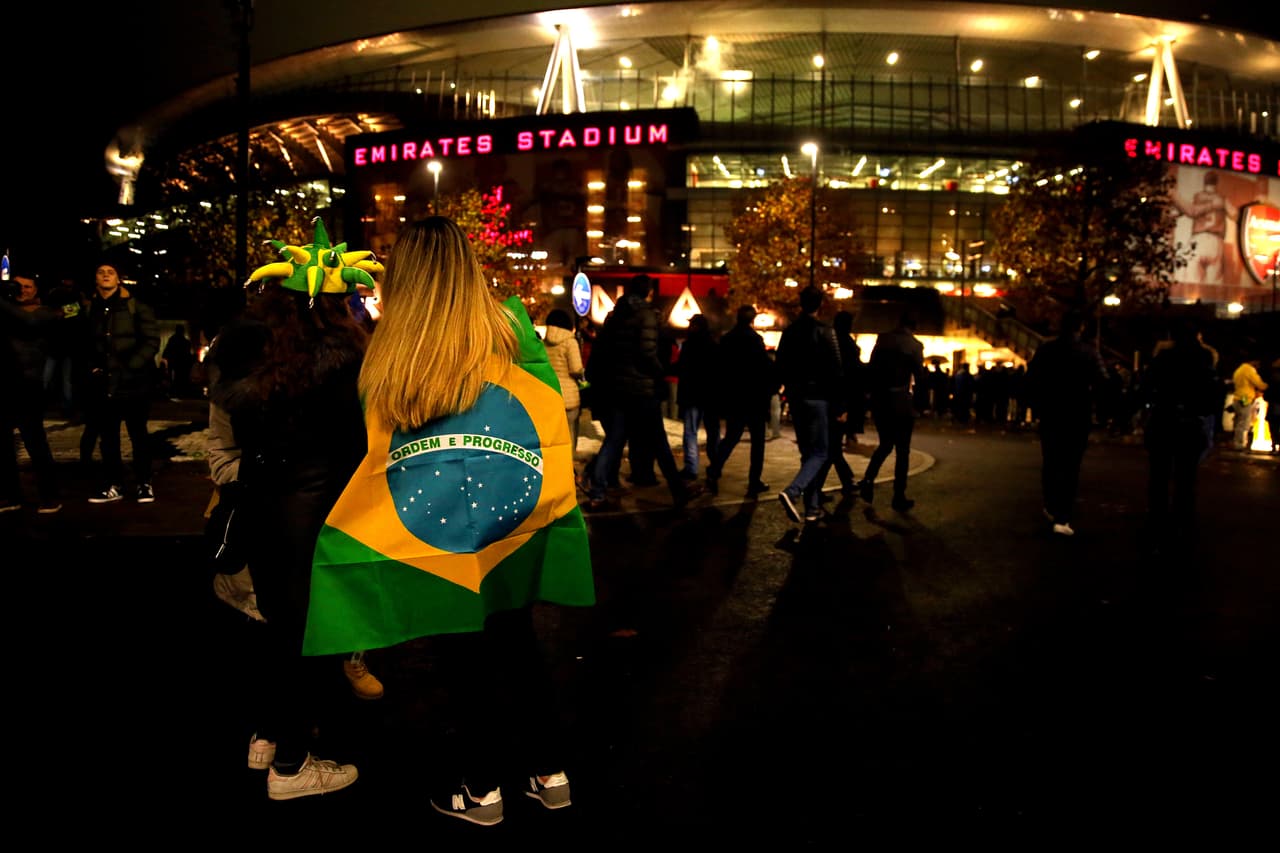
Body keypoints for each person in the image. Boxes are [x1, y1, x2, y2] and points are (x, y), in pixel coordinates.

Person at [300, 216, 595, 826]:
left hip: (431, 529)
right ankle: (550, 774)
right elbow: (548, 409)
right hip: (510, 519)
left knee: (464, 653)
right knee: (517, 641)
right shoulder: (510, 328)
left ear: (405, 275)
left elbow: (370, 443)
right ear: (467, 266)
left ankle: (481, 789)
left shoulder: (390, 348)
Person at [206, 218, 376, 800]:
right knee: (305, 641)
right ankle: (292, 766)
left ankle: (267, 742)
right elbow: (360, 447)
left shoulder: (259, 366)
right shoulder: (343, 363)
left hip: (261, 513)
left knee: (274, 632)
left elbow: (234, 428)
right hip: (319, 519)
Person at [583, 274, 702, 510]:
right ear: (648, 292)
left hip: (617, 388)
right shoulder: (645, 315)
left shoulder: (615, 316)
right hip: (641, 388)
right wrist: (660, 371)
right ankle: (678, 490)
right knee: (659, 441)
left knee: (614, 439)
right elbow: (646, 352)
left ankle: (597, 490)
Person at [83, 262, 161, 504]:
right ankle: (113, 483)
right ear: (95, 279)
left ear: (119, 279)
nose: (106, 275)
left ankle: (144, 483)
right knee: (108, 437)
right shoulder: (89, 309)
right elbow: (82, 342)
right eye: (100, 271)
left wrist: (132, 366)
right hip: (104, 383)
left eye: (111, 272)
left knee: (138, 435)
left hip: (133, 382)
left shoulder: (134, 306)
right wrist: (91, 367)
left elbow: (151, 340)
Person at [1024, 310, 1108, 536]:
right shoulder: (1089, 352)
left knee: (1051, 459)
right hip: (1077, 413)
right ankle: (1063, 514)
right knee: (1071, 465)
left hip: (1051, 411)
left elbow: (1031, 378)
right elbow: (1103, 381)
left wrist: (1036, 405)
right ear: (1080, 327)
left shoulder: (1046, 349)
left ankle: (1050, 504)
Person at [1142, 320, 1221, 541]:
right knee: (1186, 475)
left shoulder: (1164, 359)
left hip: (1164, 420)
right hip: (1191, 423)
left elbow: (1146, 387)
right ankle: (1182, 517)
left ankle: (1157, 515)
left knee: (1160, 473)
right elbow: (1213, 394)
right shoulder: (1204, 360)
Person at [774, 286, 844, 524]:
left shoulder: (790, 332)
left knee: (808, 453)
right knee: (821, 452)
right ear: (820, 305)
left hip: (797, 397)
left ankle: (812, 508)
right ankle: (793, 492)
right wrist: (840, 404)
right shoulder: (825, 331)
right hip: (819, 397)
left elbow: (780, 364)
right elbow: (836, 369)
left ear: (800, 304)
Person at [1, 271, 63, 513]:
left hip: (28, 386)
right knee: (3, 446)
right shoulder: (7, 311)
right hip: (4, 385)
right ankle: (10, 495)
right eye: (17, 286)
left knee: (35, 442)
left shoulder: (44, 313)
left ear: (36, 291)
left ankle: (50, 496)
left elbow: (29, 323)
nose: (22, 291)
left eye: (27, 287)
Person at [856, 309, 926, 512]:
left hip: (881, 400)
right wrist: (920, 405)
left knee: (885, 444)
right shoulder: (914, 346)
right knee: (902, 451)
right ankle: (898, 495)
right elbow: (919, 377)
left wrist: (869, 395)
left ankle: (868, 479)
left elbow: (871, 369)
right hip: (901, 401)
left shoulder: (883, 340)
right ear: (913, 327)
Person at [705, 304, 776, 498]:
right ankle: (754, 480)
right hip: (754, 398)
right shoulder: (755, 340)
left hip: (734, 397)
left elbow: (720, 369)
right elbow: (763, 369)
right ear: (752, 320)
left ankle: (714, 468)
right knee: (757, 442)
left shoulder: (727, 340)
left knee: (732, 436)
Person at [676, 313, 720, 479]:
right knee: (712, 432)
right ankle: (716, 464)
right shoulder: (714, 345)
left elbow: (682, 368)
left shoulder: (689, 346)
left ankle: (691, 467)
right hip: (710, 395)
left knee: (691, 432)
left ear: (696, 327)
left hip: (692, 394)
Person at [1173, 170, 1233, 285]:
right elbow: (1235, 214)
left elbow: (1185, 211)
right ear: (1217, 183)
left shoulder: (1197, 197)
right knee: (1213, 285)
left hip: (1199, 240)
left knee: (1192, 282)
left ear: (1204, 182)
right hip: (1216, 242)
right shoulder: (1222, 199)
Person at [542, 308, 585, 459]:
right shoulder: (570, 342)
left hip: (549, 394)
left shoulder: (543, 343)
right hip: (568, 397)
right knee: (569, 435)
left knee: (553, 437)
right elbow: (576, 369)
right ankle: (568, 470)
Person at [1229, 350, 1268, 450]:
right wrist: (1268, 386)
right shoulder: (1249, 370)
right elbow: (1258, 383)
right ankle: (1240, 444)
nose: (1258, 366)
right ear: (1254, 361)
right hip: (1245, 398)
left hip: (1237, 398)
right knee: (1244, 422)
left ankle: (1236, 442)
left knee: (1238, 422)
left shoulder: (1239, 369)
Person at [161, 322, 196, 399]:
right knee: (179, 378)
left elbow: (167, 351)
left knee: (177, 378)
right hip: (179, 363)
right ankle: (178, 392)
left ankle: (176, 392)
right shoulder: (184, 342)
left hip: (177, 362)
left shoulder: (174, 340)